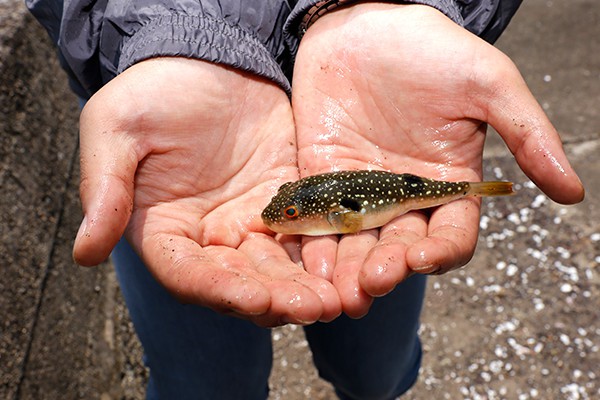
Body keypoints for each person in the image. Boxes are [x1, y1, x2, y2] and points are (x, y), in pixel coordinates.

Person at [26, 0, 584, 399]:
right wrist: (169, 36)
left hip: (376, 104)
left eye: (290, 214)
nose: (283, 222)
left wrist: (392, 8)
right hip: (184, 159)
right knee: (205, 382)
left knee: (375, 371)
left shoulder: (340, 209)